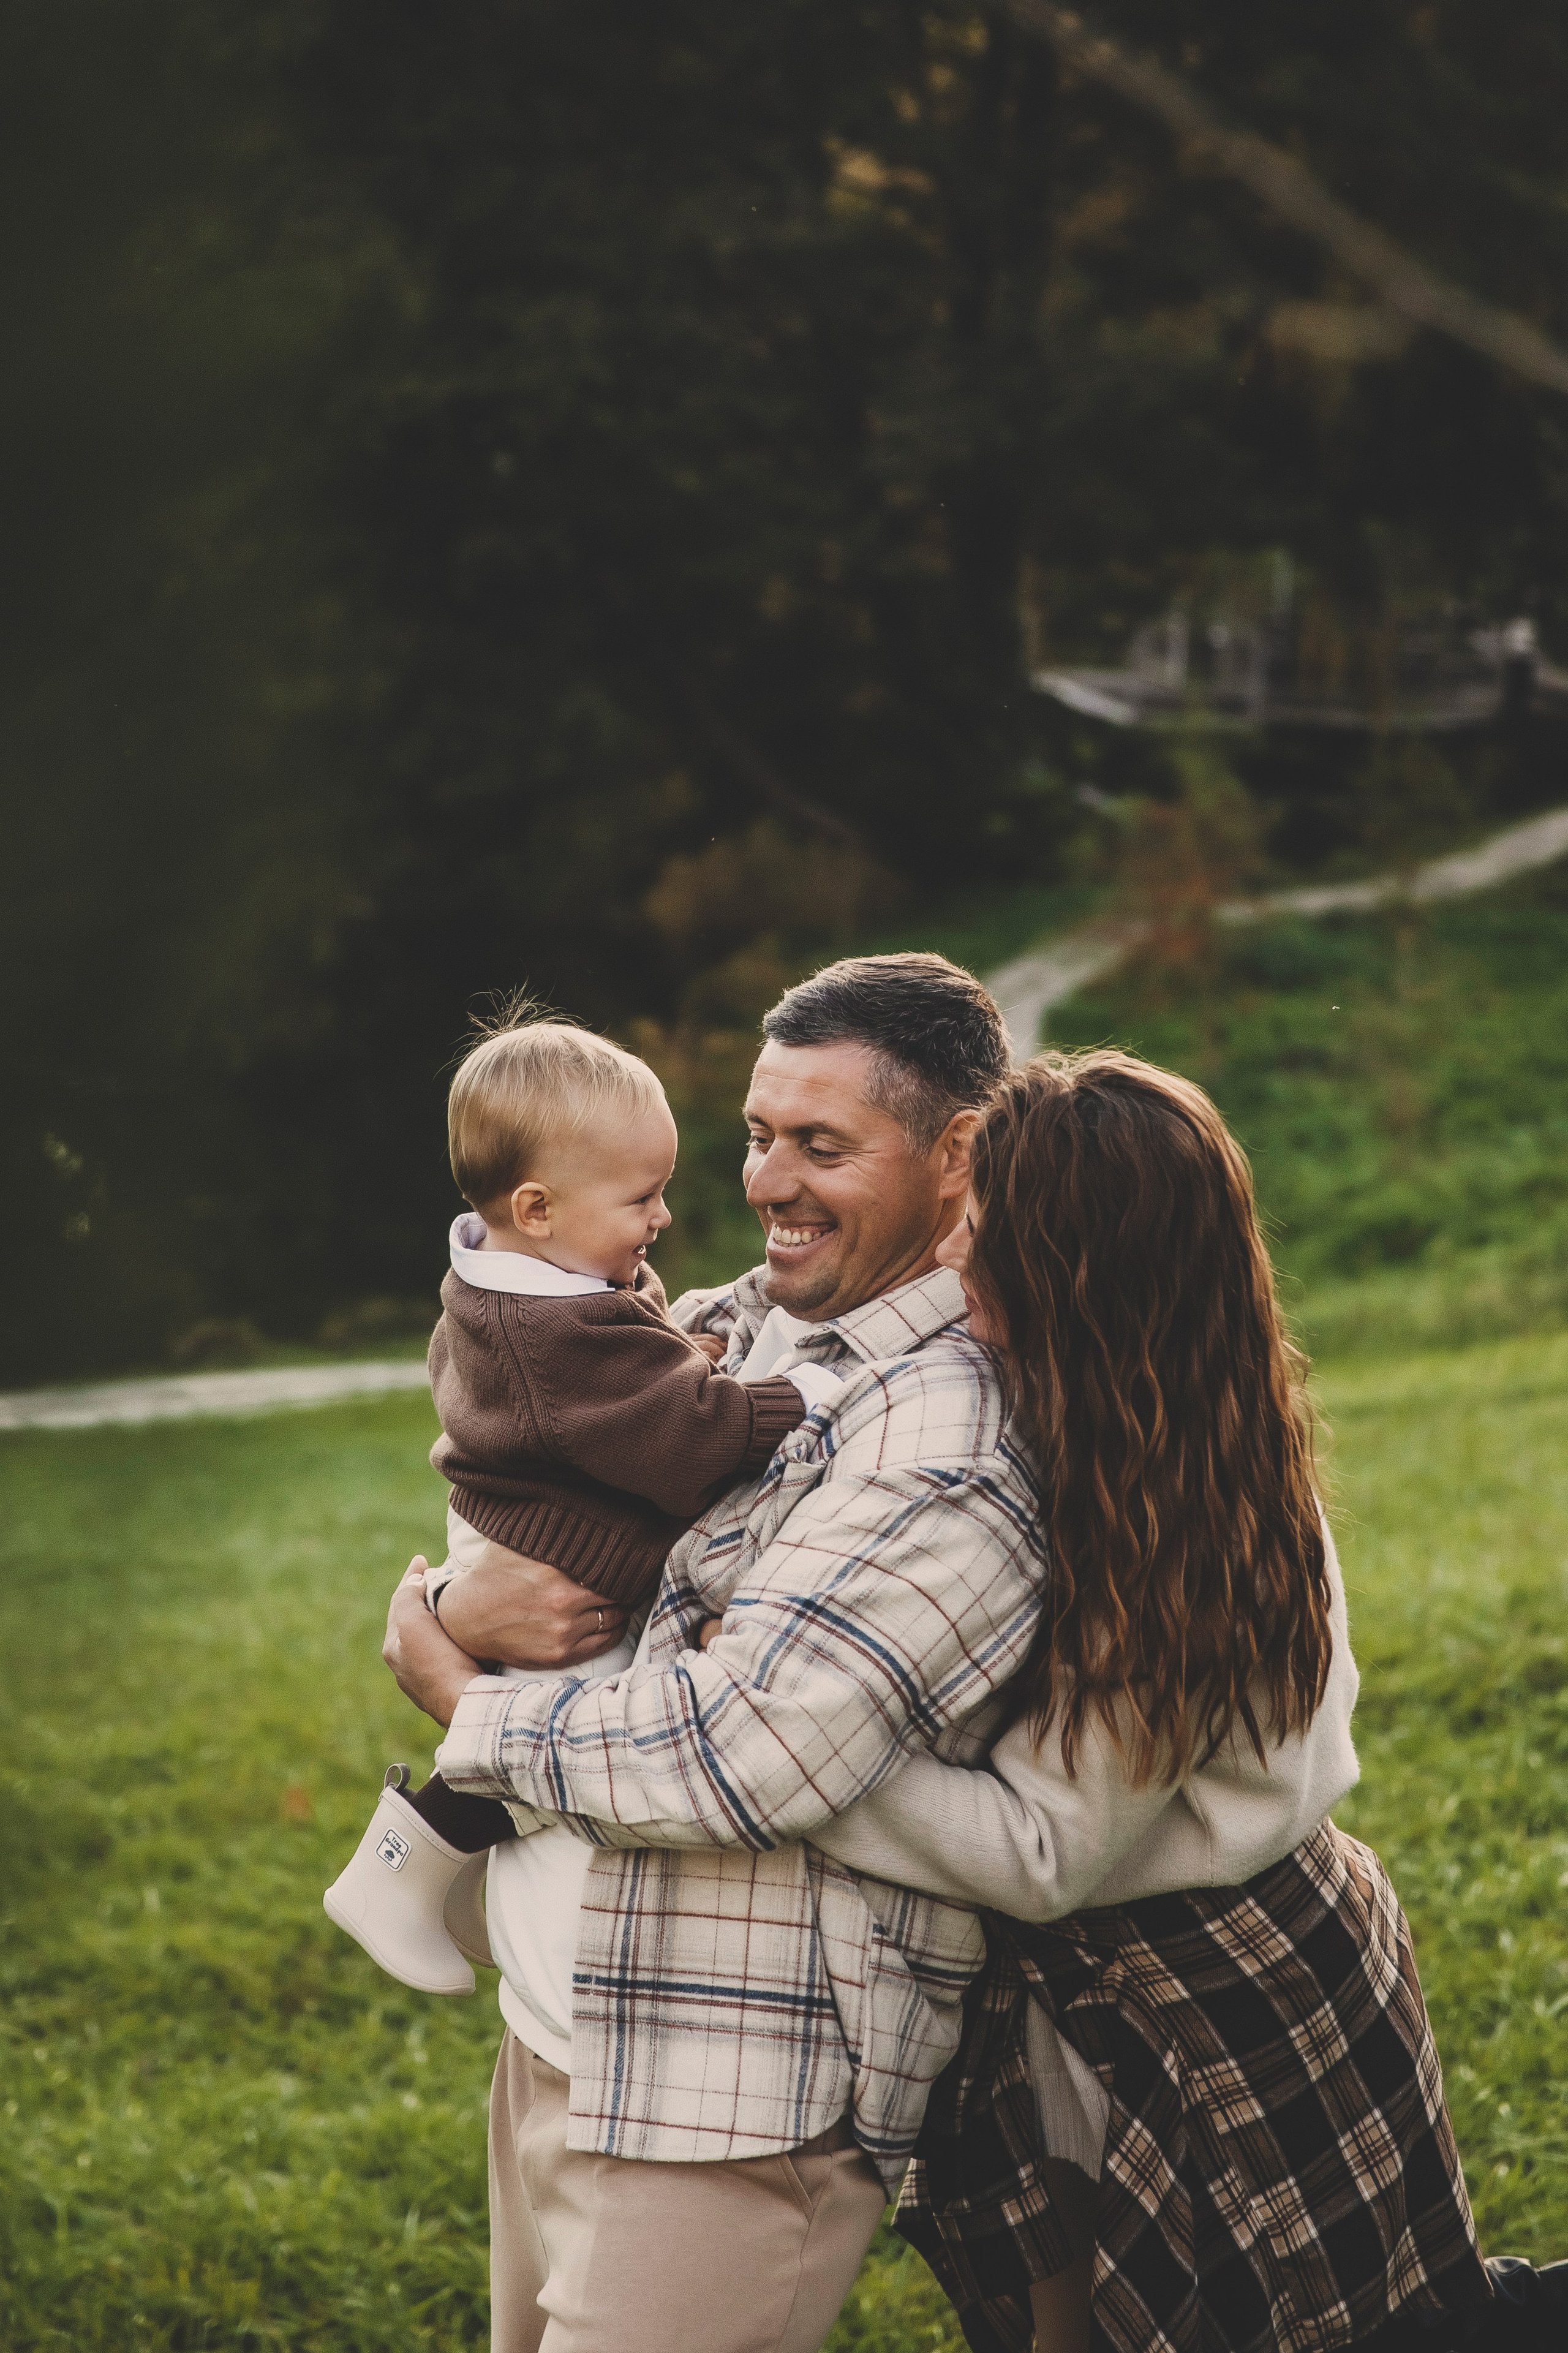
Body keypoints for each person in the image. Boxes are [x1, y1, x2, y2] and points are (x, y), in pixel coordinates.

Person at [810, 1050, 1560, 2353]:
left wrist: (789, 1762)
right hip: (1176, 1966)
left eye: (988, 1249)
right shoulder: (1159, 1418)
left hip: (1225, 1979)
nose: (959, 1280)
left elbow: (1041, 1851)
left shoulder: (1176, 1533)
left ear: (1082, 1279)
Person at [381, 950, 1051, 2353]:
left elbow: (744, 1757)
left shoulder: (945, 1439)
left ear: (957, 1154)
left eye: (820, 1144)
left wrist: (452, 1689)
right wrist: (453, 1610)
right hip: (561, 2025)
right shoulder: (751, 1316)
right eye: (757, 1134)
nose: (763, 1182)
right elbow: (536, 1500)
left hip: (727, 2089)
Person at [323, 1014, 833, 2001]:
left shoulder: (524, 1278)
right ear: (539, 1206)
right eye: (641, 1197)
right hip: (564, 1555)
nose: (663, 1219)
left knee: (545, 1732)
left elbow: (626, 1380)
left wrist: (682, 1354)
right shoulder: (551, 1326)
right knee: (583, 1733)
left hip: (525, 1525)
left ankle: (438, 1876)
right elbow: (689, 1441)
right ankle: (398, 1873)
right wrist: (801, 1399)